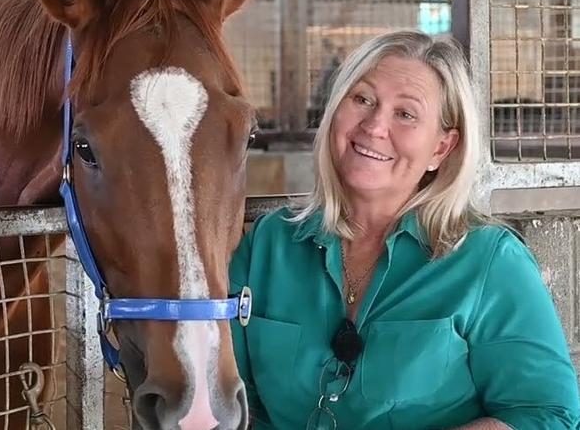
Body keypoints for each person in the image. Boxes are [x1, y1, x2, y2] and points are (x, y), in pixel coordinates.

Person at [230, 30, 580, 430]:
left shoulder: (488, 260)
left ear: (441, 149)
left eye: (406, 114)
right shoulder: (267, 245)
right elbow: (233, 404)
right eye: (362, 99)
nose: (375, 126)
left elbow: (549, 415)